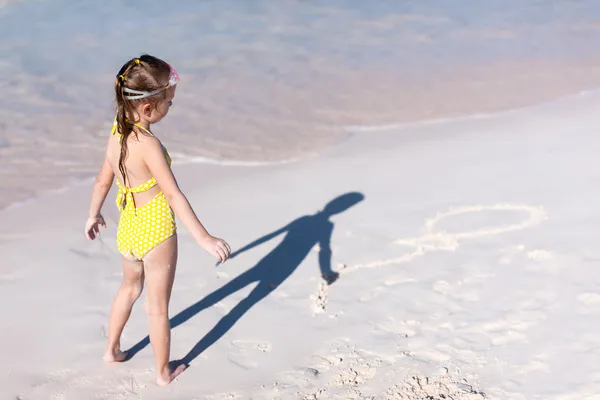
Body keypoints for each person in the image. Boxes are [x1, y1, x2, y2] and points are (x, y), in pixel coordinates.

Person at [84, 54, 231, 386]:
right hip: (156, 229)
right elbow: (174, 195)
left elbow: (102, 180)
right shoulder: (148, 144)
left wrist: (93, 214)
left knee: (128, 287)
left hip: (128, 228)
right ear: (148, 109)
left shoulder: (115, 134)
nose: (171, 107)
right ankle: (163, 372)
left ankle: (112, 350)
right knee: (157, 307)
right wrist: (204, 238)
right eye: (169, 102)